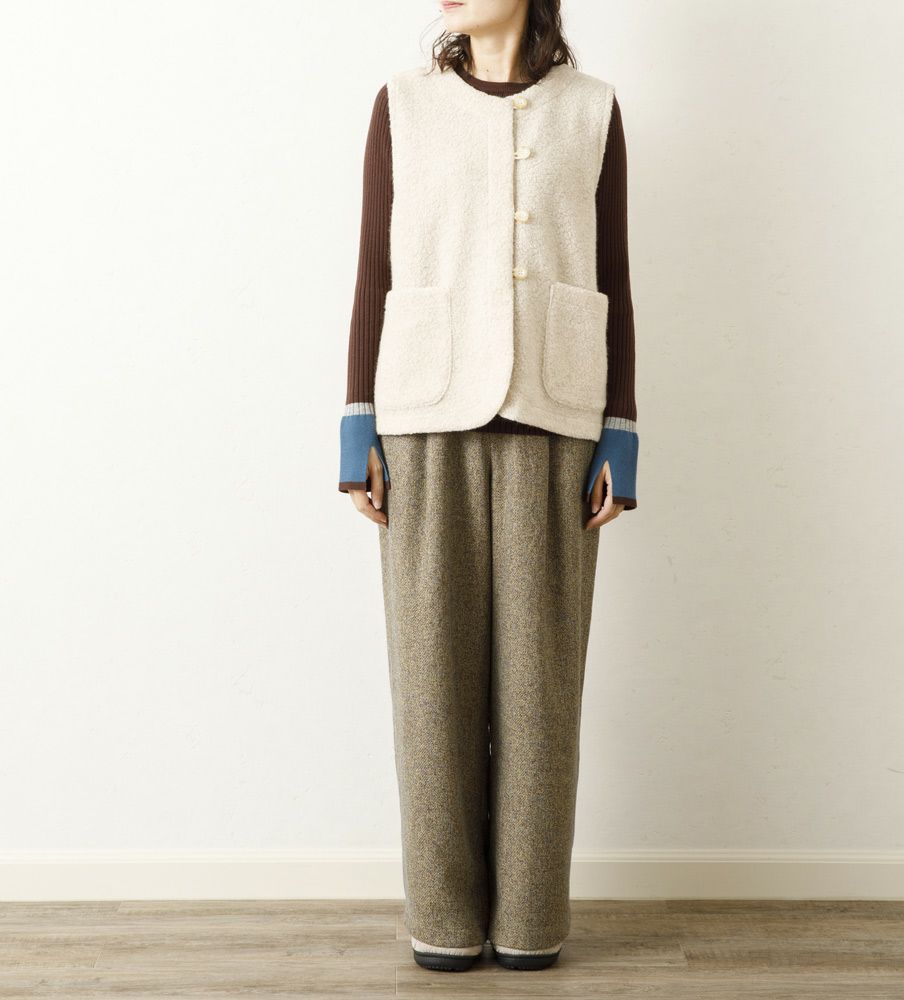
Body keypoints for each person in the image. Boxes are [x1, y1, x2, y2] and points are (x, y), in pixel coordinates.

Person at [338, 0, 639, 974]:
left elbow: (614, 277)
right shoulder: (402, 104)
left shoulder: (593, 110)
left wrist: (622, 433)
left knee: (541, 697)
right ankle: (442, 919)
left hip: (559, 421)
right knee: (431, 689)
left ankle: (530, 924)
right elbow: (374, 267)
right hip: (422, 421)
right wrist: (355, 425)